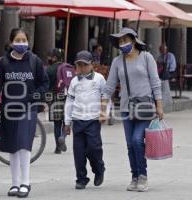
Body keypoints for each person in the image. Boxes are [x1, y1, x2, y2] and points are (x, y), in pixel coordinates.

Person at [102, 27, 163, 192]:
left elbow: (155, 82)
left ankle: (143, 176)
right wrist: (103, 107)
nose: (123, 44)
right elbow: (110, 85)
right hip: (125, 107)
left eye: (126, 40)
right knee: (130, 144)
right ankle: (134, 176)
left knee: (137, 140)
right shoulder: (117, 61)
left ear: (134, 41)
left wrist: (159, 105)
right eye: (120, 41)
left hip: (144, 106)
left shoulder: (146, 57)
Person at [0, 28, 49, 198]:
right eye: (17, 40)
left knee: (23, 143)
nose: (21, 43)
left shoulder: (35, 61)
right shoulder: (3, 63)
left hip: (28, 108)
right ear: (11, 42)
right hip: (9, 109)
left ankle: (26, 182)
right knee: (13, 147)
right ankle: (15, 184)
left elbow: (44, 83)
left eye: (23, 40)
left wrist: (34, 96)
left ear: (28, 42)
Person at [64, 50, 106, 190]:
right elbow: (69, 102)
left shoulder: (99, 79)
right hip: (78, 120)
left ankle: (99, 169)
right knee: (79, 151)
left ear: (91, 65)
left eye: (85, 65)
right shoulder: (74, 81)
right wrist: (67, 122)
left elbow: (106, 97)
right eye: (79, 65)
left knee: (94, 148)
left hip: (93, 120)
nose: (82, 68)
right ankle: (81, 178)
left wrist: (104, 112)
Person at [46, 48, 68, 154]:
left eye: (50, 56)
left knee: (57, 123)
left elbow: (46, 85)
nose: (48, 58)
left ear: (54, 57)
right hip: (67, 96)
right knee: (67, 121)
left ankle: (58, 148)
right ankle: (63, 137)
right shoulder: (67, 68)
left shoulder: (49, 69)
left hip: (54, 97)